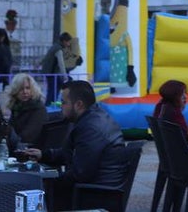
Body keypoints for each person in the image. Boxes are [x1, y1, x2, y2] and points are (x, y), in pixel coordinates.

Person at [23, 80, 125, 210]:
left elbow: (80, 173)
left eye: (64, 102)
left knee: (37, 191)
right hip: (100, 190)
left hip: (95, 195)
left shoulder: (90, 128)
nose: (61, 105)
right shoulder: (94, 118)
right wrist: (43, 154)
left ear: (79, 105)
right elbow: (71, 153)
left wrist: (49, 180)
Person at [3, 73, 47, 145]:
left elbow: (28, 136)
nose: (25, 92)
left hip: (31, 148)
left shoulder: (38, 108)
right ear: (15, 91)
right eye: (21, 89)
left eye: (28, 88)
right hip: (17, 145)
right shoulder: (16, 107)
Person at [40, 32, 83, 103]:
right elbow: (61, 64)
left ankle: (51, 103)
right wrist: (65, 76)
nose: (69, 44)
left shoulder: (56, 46)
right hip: (52, 73)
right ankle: (50, 104)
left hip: (52, 72)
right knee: (53, 89)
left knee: (55, 88)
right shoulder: (58, 49)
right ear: (64, 41)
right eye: (68, 42)